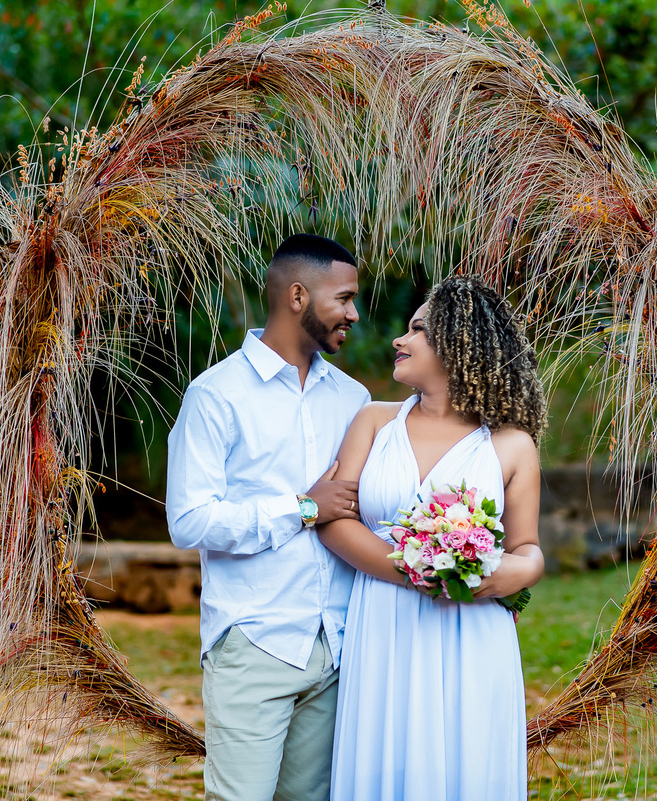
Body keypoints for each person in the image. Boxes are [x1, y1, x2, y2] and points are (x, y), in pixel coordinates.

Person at [318, 275, 546, 801]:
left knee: (464, 763)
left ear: (460, 345)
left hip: (472, 628)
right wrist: (419, 568)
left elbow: (527, 547)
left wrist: (518, 571)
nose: (400, 340)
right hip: (384, 623)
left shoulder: (512, 445)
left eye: (418, 329)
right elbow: (334, 519)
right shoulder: (373, 423)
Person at [166, 233, 371, 801]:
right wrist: (303, 509)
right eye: (345, 298)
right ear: (299, 296)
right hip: (255, 643)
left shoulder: (353, 400)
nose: (354, 314)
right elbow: (190, 521)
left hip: (336, 643)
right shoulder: (216, 396)